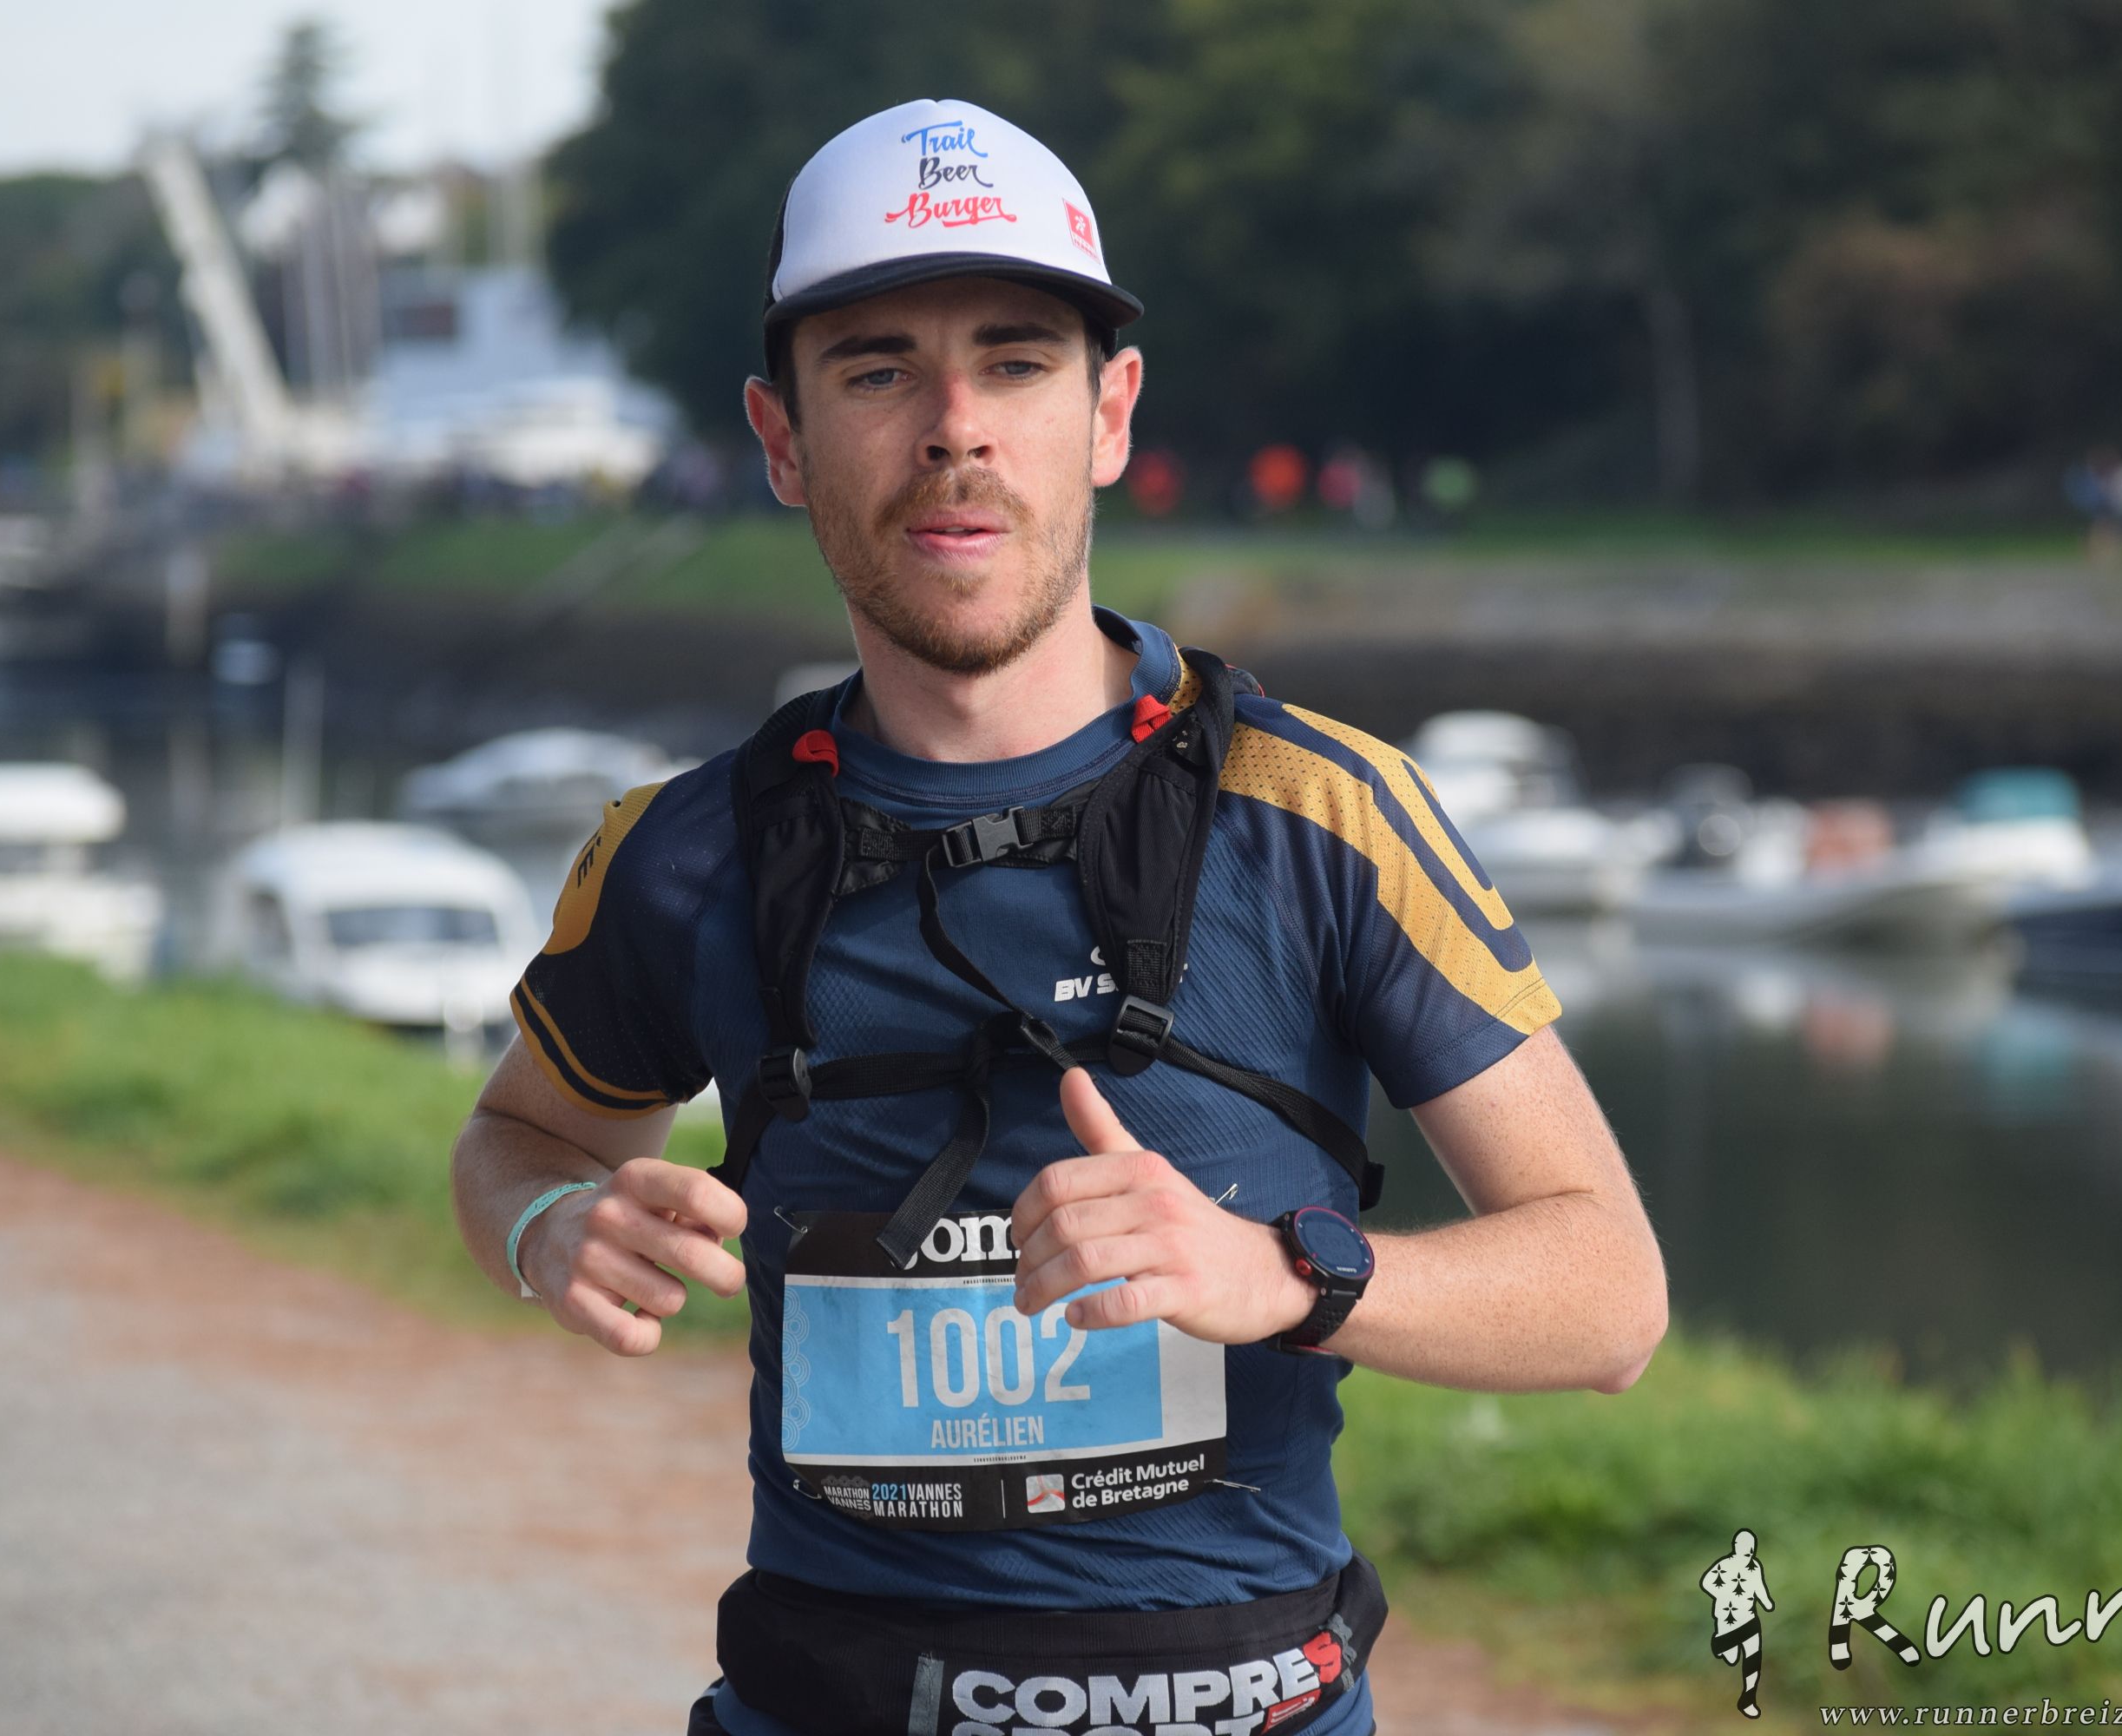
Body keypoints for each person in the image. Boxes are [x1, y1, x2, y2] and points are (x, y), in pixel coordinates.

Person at [448, 98, 1668, 1736]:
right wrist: (550, 1224)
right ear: (781, 438)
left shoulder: (1322, 816)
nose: (955, 429)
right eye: (878, 372)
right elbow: (515, 1140)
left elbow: (1611, 1296)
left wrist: (1282, 1274)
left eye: (1016, 364)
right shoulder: (685, 856)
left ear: (1110, 413)